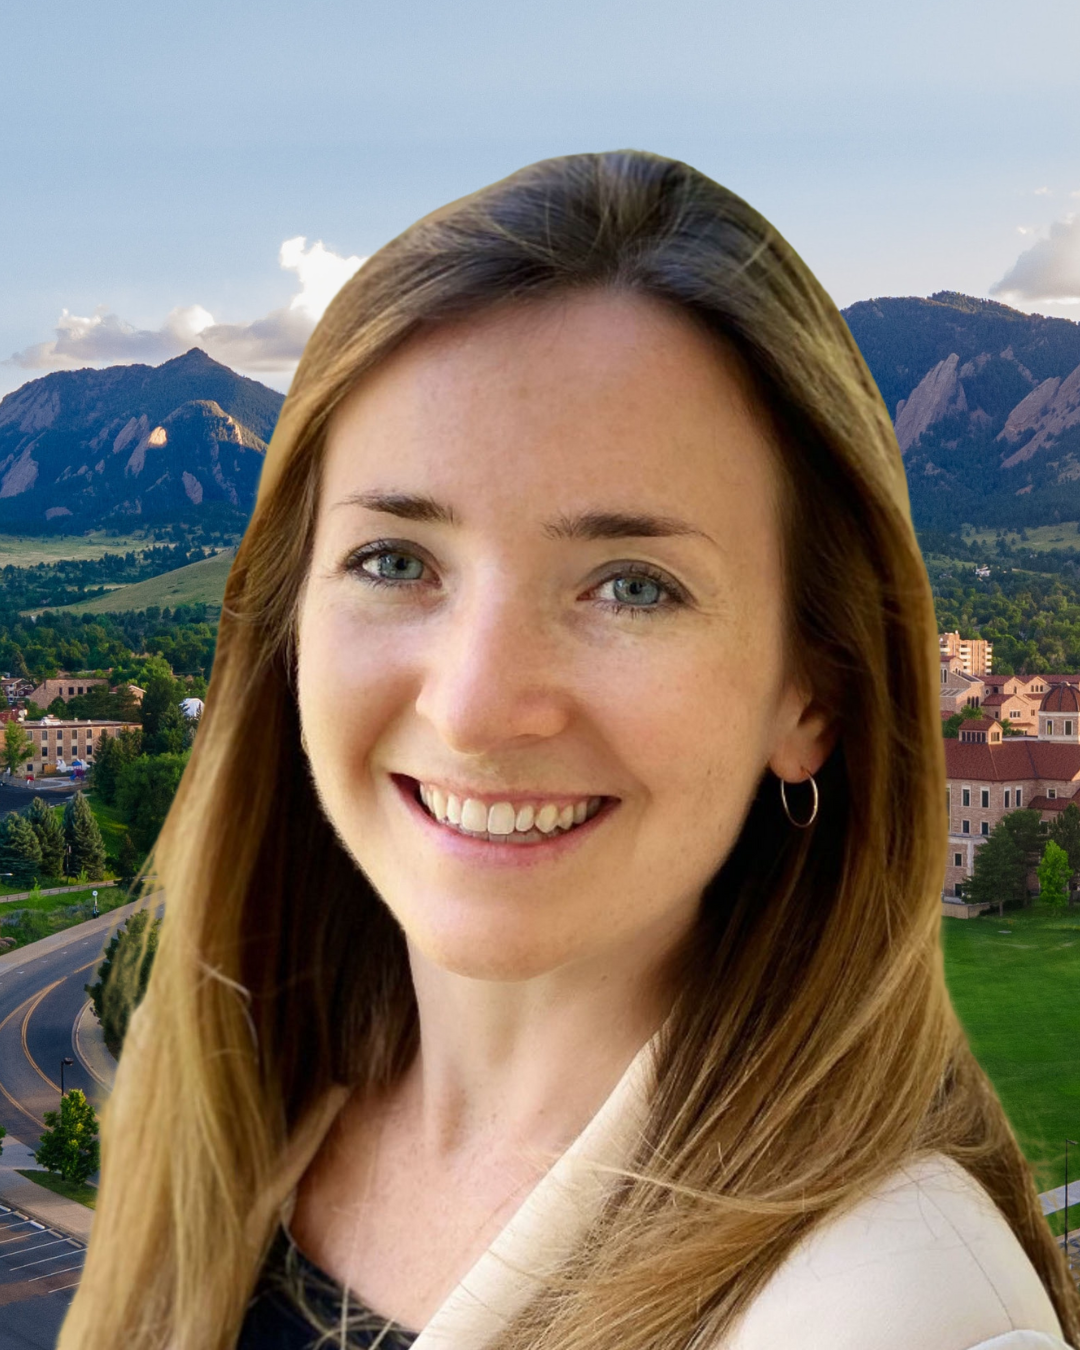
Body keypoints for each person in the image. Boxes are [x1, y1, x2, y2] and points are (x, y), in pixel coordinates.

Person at [59, 151, 1079, 1350]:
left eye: (632, 585)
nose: (479, 706)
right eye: (395, 560)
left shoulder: (897, 1312)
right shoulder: (260, 1097)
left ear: (814, 698)